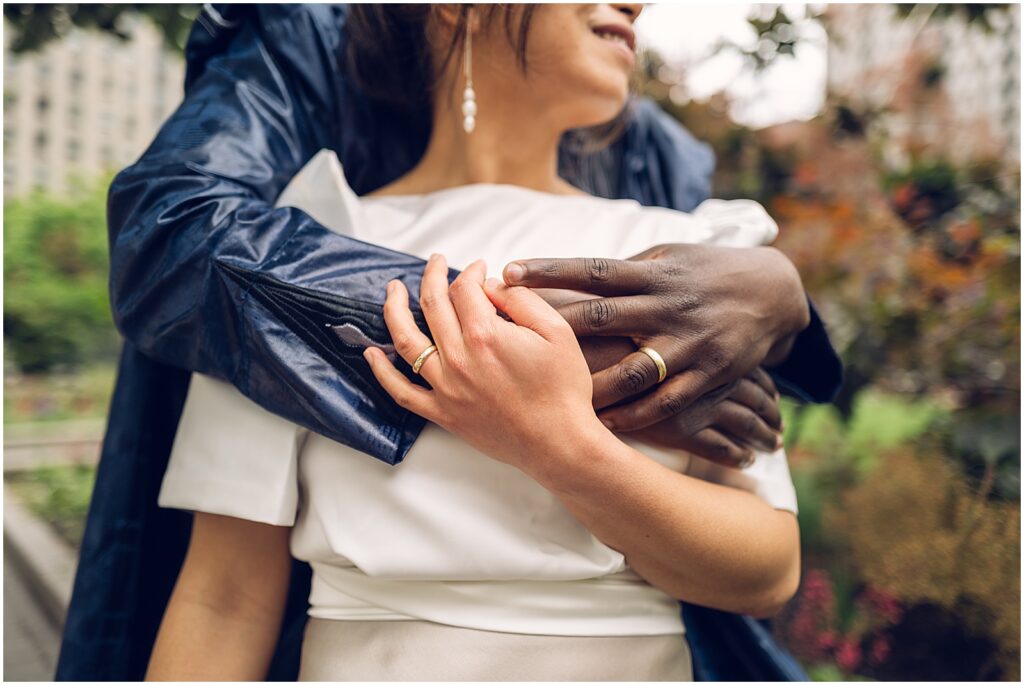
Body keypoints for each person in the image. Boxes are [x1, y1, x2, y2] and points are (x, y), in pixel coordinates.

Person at [56, 4, 840, 682]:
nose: (638, 3)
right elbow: (224, 595)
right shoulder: (305, 242)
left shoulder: (687, 257)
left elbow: (768, 566)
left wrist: (560, 447)